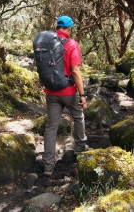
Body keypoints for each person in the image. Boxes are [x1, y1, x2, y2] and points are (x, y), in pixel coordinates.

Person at [42, 15, 89, 176]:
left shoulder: (46, 44)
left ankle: (48, 166)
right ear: (70, 29)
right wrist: (82, 94)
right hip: (69, 92)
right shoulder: (72, 44)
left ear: (57, 27)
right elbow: (75, 70)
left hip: (51, 93)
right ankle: (81, 150)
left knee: (51, 128)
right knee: (78, 116)